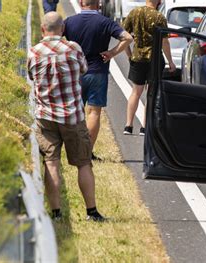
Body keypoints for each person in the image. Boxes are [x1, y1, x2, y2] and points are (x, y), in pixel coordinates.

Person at [27, 12, 105, 221]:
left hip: (45, 116)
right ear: (62, 29)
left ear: (43, 29)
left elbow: (32, 76)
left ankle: (56, 213)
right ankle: (92, 211)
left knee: (51, 162)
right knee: (83, 162)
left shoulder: (34, 52)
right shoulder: (73, 48)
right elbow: (83, 70)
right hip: (72, 114)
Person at [64, 0, 133, 160]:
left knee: (76, 111)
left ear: (81, 2)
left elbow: (53, 37)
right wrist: (112, 53)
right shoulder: (105, 22)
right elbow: (127, 38)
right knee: (94, 112)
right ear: (99, 4)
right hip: (98, 72)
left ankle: (74, 150)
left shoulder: (69, 22)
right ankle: (87, 152)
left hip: (76, 73)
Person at [122, 0, 176, 136]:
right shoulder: (159, 17)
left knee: (135, 92)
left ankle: (128, 125)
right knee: (150, 93)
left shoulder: (134, 13)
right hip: (154, 59)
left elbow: (123, 36)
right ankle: (144, 127)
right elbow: (165, 42)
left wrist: (129, 54)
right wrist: (170, 62)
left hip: (137, 58)